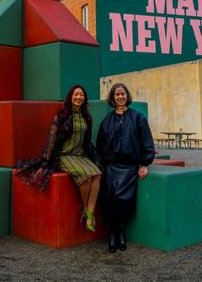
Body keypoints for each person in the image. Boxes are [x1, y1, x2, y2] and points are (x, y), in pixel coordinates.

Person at [16, 85, 102, 231]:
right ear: (70, 97)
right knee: (87, 176)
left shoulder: (86, 117)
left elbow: (87, 142)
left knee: (97, 175)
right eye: (76, 94)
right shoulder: (61, 116)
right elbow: (52, 140)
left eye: (81, 95)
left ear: (85, 98)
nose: (79, 97)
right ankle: (86, 211)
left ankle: (90, 213)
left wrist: (95, 158)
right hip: (63, 156)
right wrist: (45, 163)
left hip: (80, 155)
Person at [96, 83, 155, 253]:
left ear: (127, 96)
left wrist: (144, 164)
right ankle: (113, 232)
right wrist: (101, 165)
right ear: (113, 98)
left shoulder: (138, 117)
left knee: (124, 201)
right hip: (111, 167)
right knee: (110, 199)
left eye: (123, 94)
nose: (120, 97)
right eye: (117, 94)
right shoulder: (107, 120)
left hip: (129, 167)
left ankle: (120, 230)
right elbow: (100, 145)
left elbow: (146, 141)